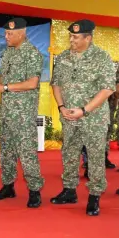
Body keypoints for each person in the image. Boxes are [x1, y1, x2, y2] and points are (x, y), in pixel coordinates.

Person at [50, 19, 116, 216]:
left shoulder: (102, 57)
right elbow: (56, 84)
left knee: (95, 156)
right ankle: (69, 190)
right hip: (69, 116)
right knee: (69, 153)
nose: (71, 40)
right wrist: (61, 106)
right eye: (70, 36)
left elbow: (107, 89)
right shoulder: (63, 57)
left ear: (88, 38)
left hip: (93, 118)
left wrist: (84, 110)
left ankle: (94, 196)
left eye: (76, 37)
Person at [0, 18, 44, 208]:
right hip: (7, 112)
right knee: (6, 151)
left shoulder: (32, 54)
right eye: (5, 33)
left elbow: (32, 83)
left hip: (23, 113)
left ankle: (35, 190)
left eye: (10, 34)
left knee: (26, 152)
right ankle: (8, 186)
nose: (6, 37)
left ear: (22, 33)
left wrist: (3, 87)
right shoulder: (8, 53)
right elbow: (4, 76)